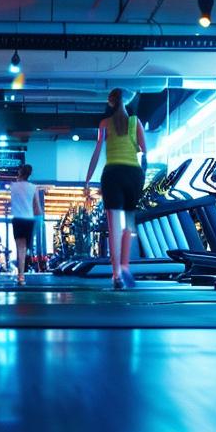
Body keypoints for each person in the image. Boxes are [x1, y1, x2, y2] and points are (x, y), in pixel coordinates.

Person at [83, 88, 147, 290]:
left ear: (110, 103)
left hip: (112, 174)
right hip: (132, 174)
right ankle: (125, 267)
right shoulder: (135, 122)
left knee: (113, 227)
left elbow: (96, 152)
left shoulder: (104, 124)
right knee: (129, 223)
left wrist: (87, 179)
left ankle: (116, 274)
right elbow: (145, 151)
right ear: (125, 103)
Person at [8, 163, 43, 286]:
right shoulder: (33, 187)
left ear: (19, 172)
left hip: (17, 219)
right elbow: (37, 208)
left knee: (19, 249)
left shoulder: (12, 186)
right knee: (24, 249)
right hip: (29, 220)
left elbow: (11, 204)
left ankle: (21, 276)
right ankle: (22, 273)